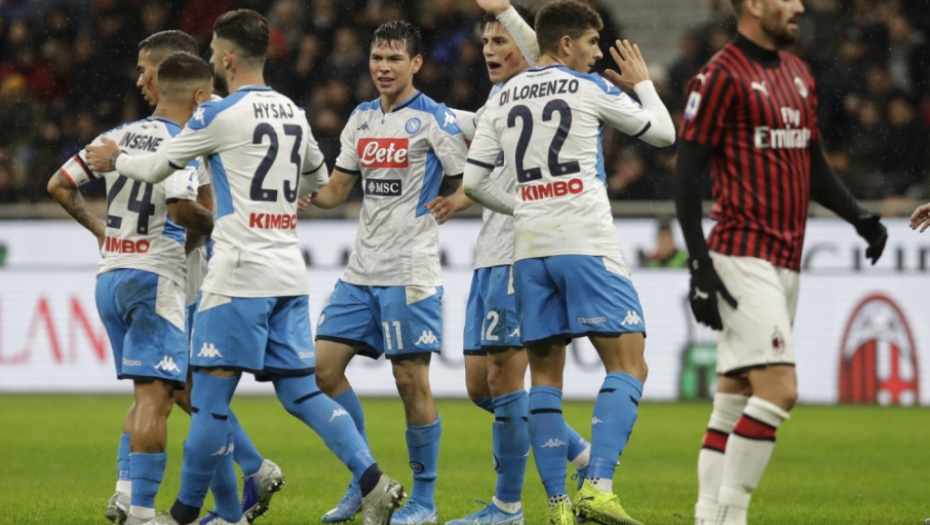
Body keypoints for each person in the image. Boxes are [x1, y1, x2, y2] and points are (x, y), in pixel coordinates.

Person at [84, 9, 404, 525]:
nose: (211, 59)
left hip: (237, 274)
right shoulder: (293, 111)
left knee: (208, 401)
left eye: (213, 52)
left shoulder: (217, 115)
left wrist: (113, 160)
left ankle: (182, 516)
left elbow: (158, 166)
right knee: (301, 391)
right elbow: (316, 180)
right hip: (287, 272)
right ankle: (373, 481)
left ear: (229, 58)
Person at [672, 1, 888, 524]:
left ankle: (707, 515)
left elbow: (811, 163)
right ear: (753, 5)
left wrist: (859, 217)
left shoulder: (797, 72)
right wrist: (699, 265)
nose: (799, 7)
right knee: (780, 390)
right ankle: (732, 515)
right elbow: (687, 173)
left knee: (735, 394)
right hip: (741, 252)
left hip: (787, 258)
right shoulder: (720, 75)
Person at [462, 1, 676, 523]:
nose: (597, 53)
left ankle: (557, 505)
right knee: (629, 363)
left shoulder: (505, 95)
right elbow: (664, 134)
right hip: (585, 241)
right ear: (565, 44)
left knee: (544, 379)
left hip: (528, 251)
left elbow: (473, 182)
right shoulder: (587, 87)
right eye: (591, 43)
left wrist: (524, 205)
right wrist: (644, 85)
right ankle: (597, 486)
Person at [99, 30, 284, 525]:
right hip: (186, 267)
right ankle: (234, 494)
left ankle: (232, 481)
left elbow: (195, 205)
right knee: (180, 390)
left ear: (169, 73)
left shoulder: (201, 118)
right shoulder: (214, 112)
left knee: (183, 391)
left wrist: (177, 251)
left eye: (146, 71)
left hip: (196, 271)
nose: (141, 81)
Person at [307, 20, 468, 525]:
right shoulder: (361, 118)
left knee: (409, 381)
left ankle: (424, 499)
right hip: (361, 270)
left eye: (395, 58)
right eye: (377, 57)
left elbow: (472, 178)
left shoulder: (434, 118)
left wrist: (455, 202)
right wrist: (305, 193)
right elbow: (338, 190)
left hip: (409, 268)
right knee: (322, 370)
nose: (383, 66)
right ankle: (367, 479)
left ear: (415, 63)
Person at [47, 52, 216, 525]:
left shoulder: (116, 137)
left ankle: (126, 498)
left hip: (111, 277)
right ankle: (142, 512)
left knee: (148, 395)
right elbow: (185, 211)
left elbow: (58, 184)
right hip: (153, 278)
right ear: (198, 97)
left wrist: (102, 231)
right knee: (156, 401)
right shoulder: (183, 143)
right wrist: (217, 228)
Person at [445, 2, 592, 524]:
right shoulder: (498, 98)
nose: (489, 49)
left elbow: (537, 48)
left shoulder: (542, 84)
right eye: (485, 42)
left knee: (506, 380)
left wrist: (506, 12)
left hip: (520, 249)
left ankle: (507, 507)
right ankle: (581, 454)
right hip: (488, 252)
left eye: (499, 40)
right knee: (479, 386)